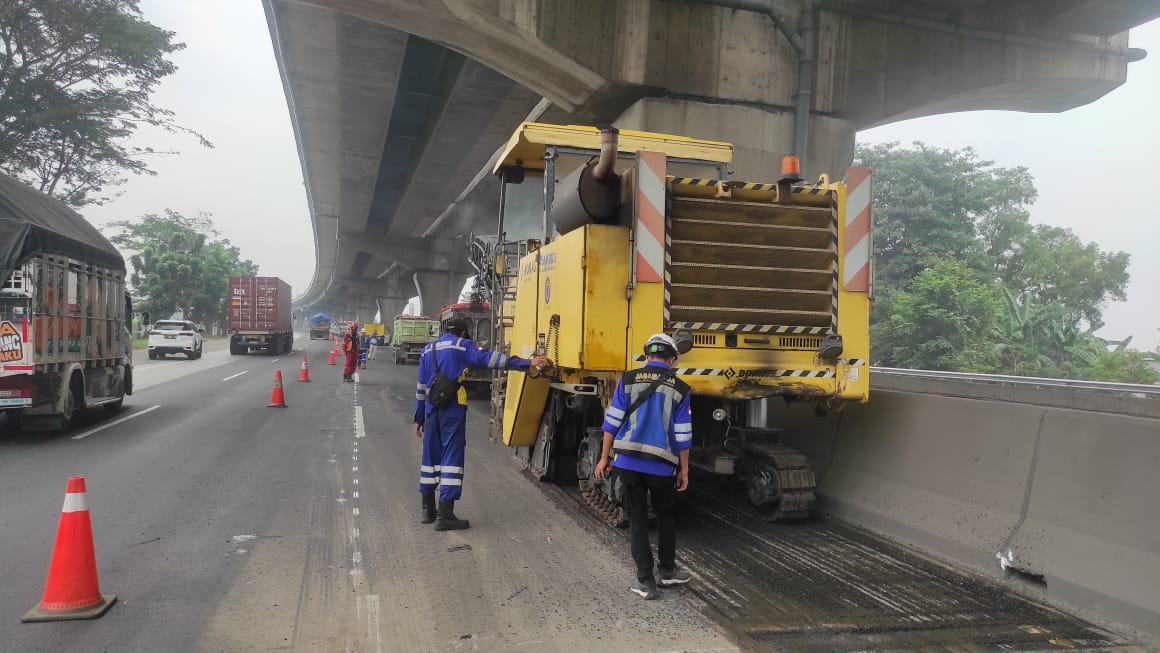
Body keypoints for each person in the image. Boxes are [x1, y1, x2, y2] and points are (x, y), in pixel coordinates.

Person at [414, 318, 549, 530]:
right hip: (452, 408)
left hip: (431, 409)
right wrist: (527, 363)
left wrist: (419, 417)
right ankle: (445, 515)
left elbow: (421, 388)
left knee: (429, 456)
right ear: (463, 333)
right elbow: (491, 359)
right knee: (451, 456)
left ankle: (427, 510)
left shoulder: (427, 350)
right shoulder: (462, 345)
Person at [594, 333, 693, 600]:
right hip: (662, 466)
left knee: (637, 520)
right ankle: (668, 571)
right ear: (672, 359)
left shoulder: (627, 380)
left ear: (647, 355)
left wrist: (604, 457)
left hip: (628, 463)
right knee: (666, 516)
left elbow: (611, 422)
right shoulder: (681, 388)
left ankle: (646, 582)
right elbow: (683, 435)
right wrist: (683, 469)